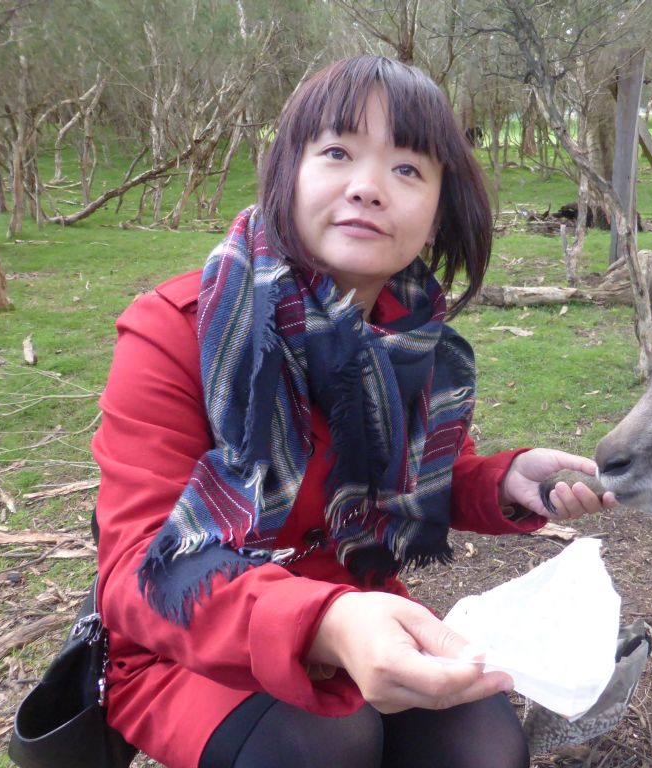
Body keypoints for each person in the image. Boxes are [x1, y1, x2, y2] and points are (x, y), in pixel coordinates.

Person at [92, 54, 614, 768]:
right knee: (322, 746)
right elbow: (135, 575)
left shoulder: (412, 339)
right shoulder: (175, 331)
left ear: (435, 214)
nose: (368, 187)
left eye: (407, 170)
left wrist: (506, 480)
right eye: (337, 152)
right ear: (289, 177)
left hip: (362, 610)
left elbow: (417, 477)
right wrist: (326, 623)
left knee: (484, 748)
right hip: (187, 638)